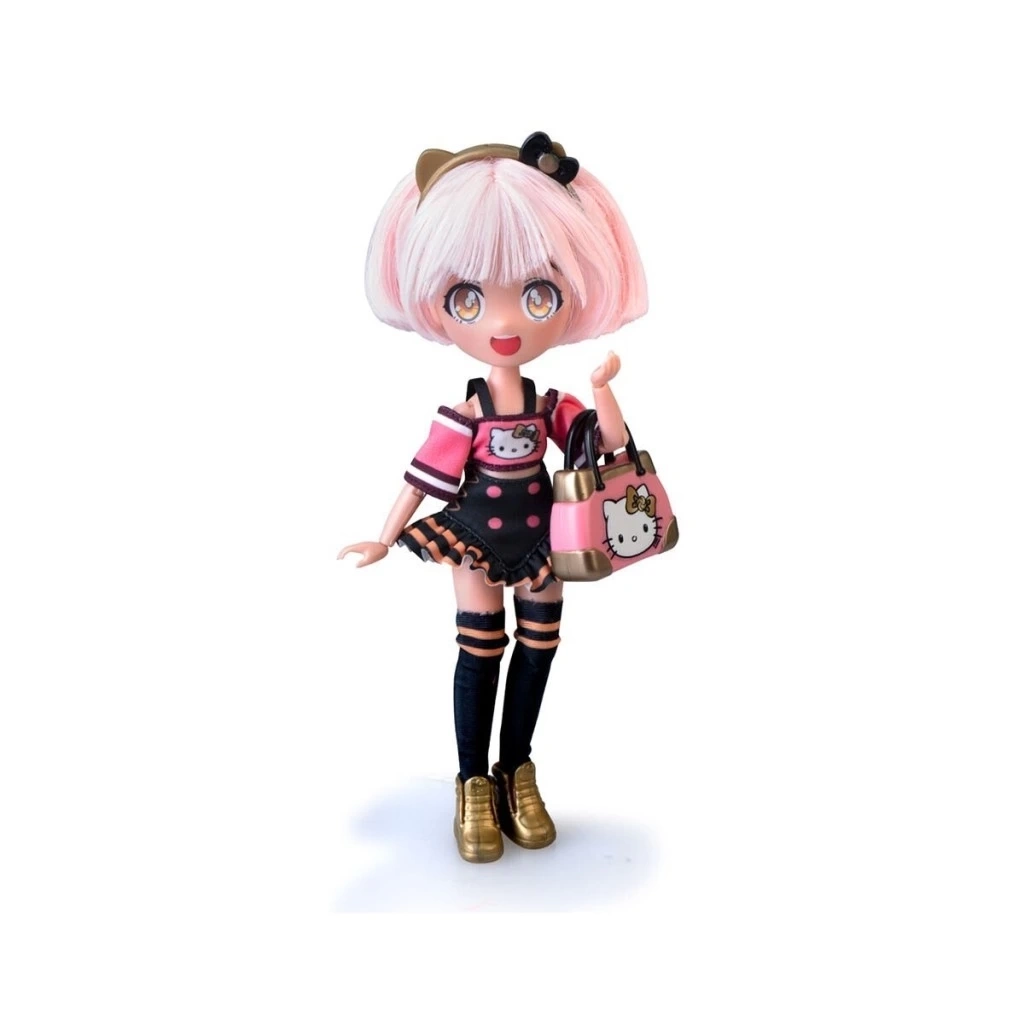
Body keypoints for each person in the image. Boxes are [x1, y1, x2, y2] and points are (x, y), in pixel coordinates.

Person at [339, 132, 648, 862]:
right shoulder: (468, 413)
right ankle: (473, 782)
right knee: (480, 650)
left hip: (544, 541)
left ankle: (518, 770)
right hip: (476, 535)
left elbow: (609, 444)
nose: (504, 324)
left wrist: (603, 389)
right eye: (469, 299)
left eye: (537, 295)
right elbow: (424, 475)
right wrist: (385, 533)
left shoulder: (549, 404)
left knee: (539, 649)